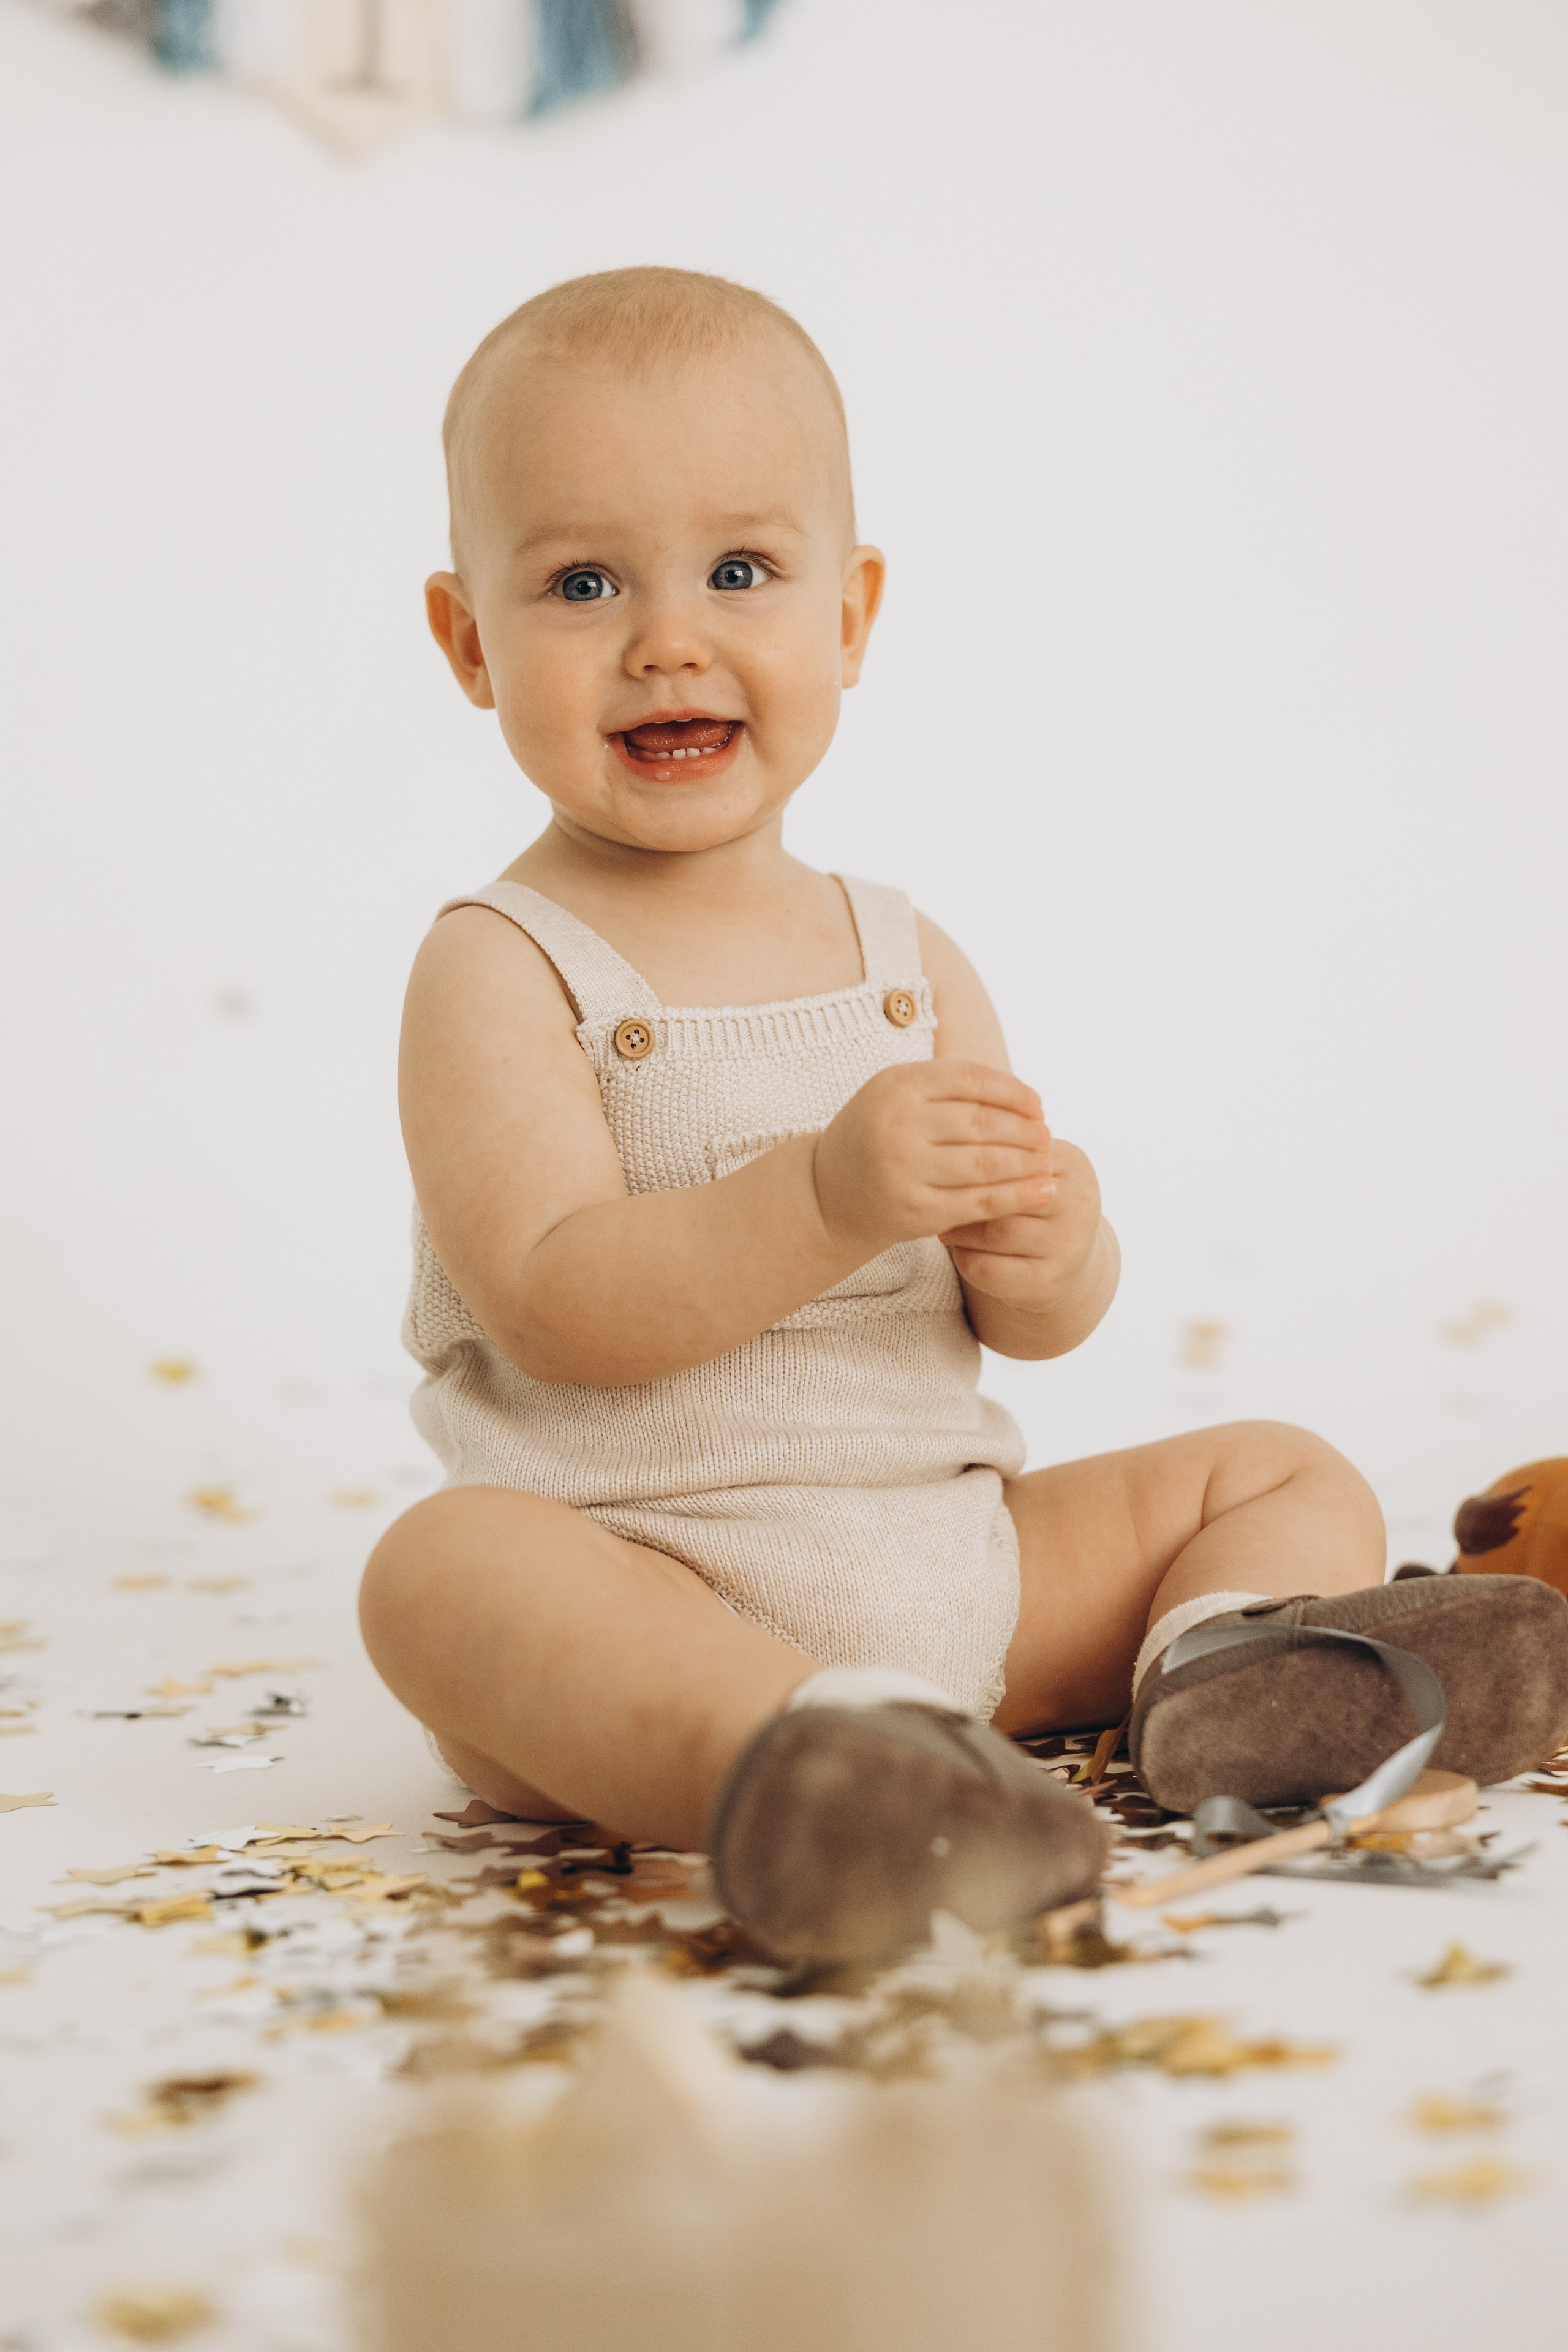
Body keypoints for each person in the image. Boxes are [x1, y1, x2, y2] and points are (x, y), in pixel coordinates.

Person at [360, 268, 1568, 1962]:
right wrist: (827, 1196)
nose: (668, 638)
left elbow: (1034, 1325)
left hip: (960, 1577)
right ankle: (799, 1758)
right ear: (470, 643)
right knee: (437, 1575)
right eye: (580, 582)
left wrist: (1050, 1242)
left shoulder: (903, 956)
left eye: (741, 570)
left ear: (849, 615)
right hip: (645, 1591)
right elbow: (557, 1306)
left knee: (1280, 1465)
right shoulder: (500, 969)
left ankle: (1232, 1672)